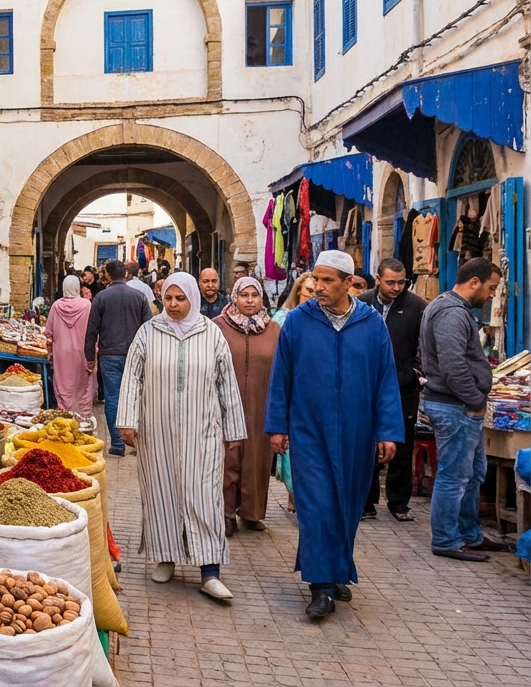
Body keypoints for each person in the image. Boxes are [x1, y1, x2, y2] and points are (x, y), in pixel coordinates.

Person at [265, 250, 402, 618]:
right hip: (309, 429)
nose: (318, 286)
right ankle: (321, 586)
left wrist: (388, 430)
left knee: (347, 505)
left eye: (328, 281)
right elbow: (281, 378)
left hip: (358, 432)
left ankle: (337, 569)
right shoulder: (297, 321)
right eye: (316, 279)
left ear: (349, 283)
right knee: (316, 506)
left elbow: (385, 381)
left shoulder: (371, 324)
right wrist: (277, 426)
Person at [116, 272, 247, 602]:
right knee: (161, 493)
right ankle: (165, 557)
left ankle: (210, 571)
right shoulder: (149, 332)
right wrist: (126, 421)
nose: (173, 305)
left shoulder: (211, 334)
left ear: (193, 299)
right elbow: (132, 377)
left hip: (202, 431)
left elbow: (226, 384)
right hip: (156, 431)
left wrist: (234, 430)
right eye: (168, 298)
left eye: (180, 299)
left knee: (205, 496)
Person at [422, 257, 504, 562]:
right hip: (455, 407)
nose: (492, 294)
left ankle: (469, 535)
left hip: (459, 406)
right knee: (454, 476)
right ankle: (446, 538)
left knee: (472, 473)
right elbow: (453, 365)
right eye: (491, 287)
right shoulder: (452, 313)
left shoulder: (449, 308)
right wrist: (475, 400)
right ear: (474, 282)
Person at [360, 259, 425, 522]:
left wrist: (415, 373)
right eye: (391, 282)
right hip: (367, 387)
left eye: (402, 282)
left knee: (401, 444)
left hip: (403, 388)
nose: (397, 287)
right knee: (367, 442)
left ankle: (399, 503)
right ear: (378, 279)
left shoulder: (417, 307)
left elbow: (425, 344)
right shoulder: (362, 303)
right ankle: (366, 501)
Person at [215, 276, 280, 535]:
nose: (250, 301)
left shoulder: (274, 329)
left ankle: (252, 513)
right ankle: (226, 512)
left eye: (255, 295)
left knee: (257, 459)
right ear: (235, 297)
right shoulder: (218, 326)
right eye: (244, 295)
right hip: (226, 404)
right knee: (228, 457)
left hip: (261, 405)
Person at [85, 259, 153, 457]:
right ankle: (136, 441)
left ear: (107, 276)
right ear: (125, 274)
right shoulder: (139, 296)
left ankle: (117, 443)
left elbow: (92, 330)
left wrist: (90, 356)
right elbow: (149, 328)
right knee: (137, 397)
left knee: (113, 398)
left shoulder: (100, 298)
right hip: (135, 355)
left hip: (109, 355)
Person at [45, 276, 97, 417]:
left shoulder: (56, 306)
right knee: (84, 382)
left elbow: (48, 332)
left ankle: (65, 412)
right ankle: (83, 414)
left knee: (63, 381)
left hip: (61, 352)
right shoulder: (87, 305)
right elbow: (94, 330)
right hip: (83, 351)